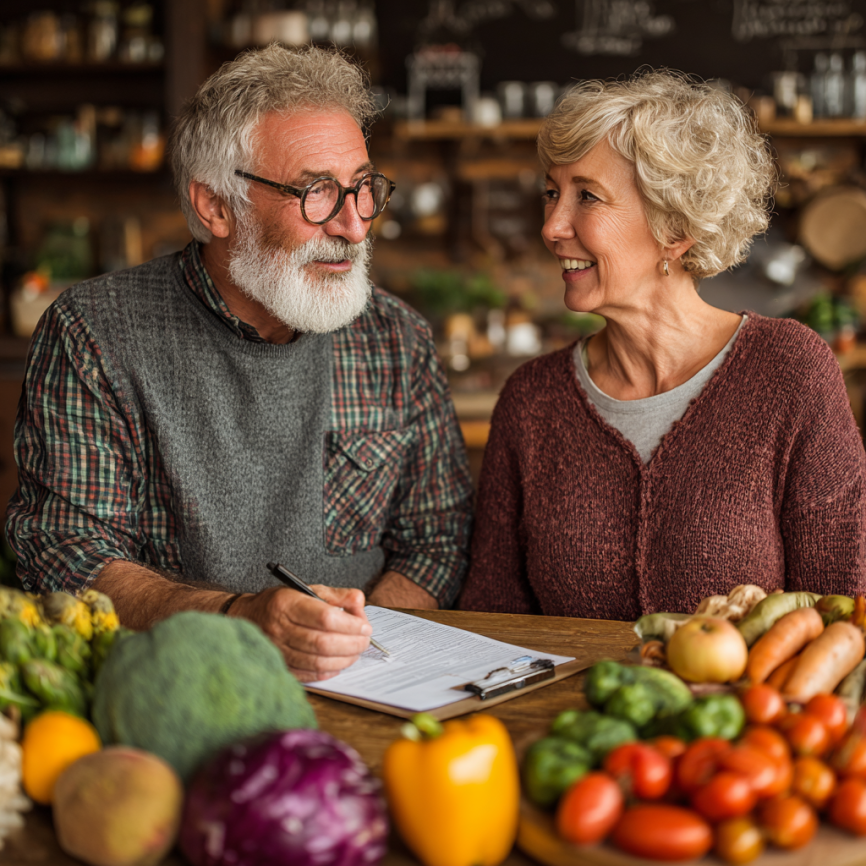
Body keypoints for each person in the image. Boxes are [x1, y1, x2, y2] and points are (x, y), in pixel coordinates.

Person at [6, 44, 473, 681]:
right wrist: (238, 618)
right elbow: (67, 552)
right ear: (215, 207)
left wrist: (345, 647)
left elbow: (437, 539)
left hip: (369, 686)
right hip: (170, 684)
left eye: (363, 189)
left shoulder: (396, 338)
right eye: (316, 193)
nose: (356, 226)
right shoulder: (95, 334)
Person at [460, 70, 866, 620]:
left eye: (587, 196)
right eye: (552, 193)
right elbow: (492, 620)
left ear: (674, 226)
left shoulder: (790, 371)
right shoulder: (531, 401)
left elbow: (844, 610)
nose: (553, 226)